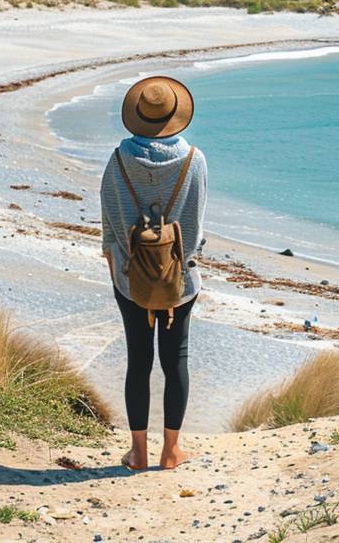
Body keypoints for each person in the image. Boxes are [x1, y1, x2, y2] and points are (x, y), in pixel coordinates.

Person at [100, 75, 207, 471]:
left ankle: (139, 452)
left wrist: (119, 270)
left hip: (130, 280)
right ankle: (171, 452)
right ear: (176, 116)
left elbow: (110, 225)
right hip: (181, 282)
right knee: (175, 361)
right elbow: (193, 229)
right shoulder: (195, 160)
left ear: (137, 116)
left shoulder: (117, 160)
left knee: (138, 362)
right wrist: (183, 267)